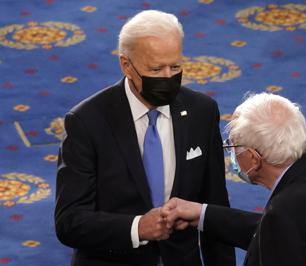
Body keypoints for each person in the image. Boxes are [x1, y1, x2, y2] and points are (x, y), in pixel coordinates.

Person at [54, 10, 235, 266]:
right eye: (156, 68)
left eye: (176, 67)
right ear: (126, 65)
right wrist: (137, 227)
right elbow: (69, 221)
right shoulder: (86, 122)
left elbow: (216, 209)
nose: (167, 77)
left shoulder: (201, 112)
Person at [162, 93, 306, 266]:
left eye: (232, 147)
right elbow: (275, 231)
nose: (231, 155)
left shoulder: (283, 214)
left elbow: (279, 230)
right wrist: (202, 214)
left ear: (253, 158)